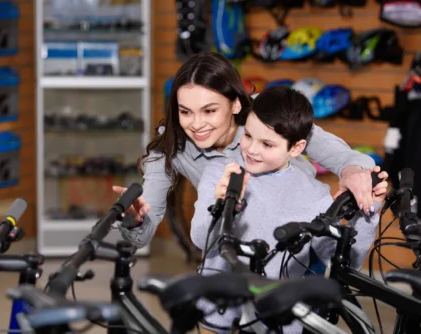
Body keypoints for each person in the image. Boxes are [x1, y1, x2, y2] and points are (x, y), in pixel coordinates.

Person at [113, 51, 377, 248]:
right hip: (242, 250)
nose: (196, 124)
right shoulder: (169, 147)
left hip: (300, 239)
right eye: (185, 112)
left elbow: (342, 156)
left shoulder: (268, 112)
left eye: (209, 110)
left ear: (236, 105)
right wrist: (135, 219)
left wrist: (353, 172)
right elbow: (143, 234)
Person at [190, 86, 388, 333]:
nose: (252, 149)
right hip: (217, 306)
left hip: (277, 316)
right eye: (248, 136)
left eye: (267, 144)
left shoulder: (316, 197)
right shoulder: (221, 173)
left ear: (296, 148)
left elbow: (346, 263)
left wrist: (370, 212)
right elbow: (200, 239)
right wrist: (221, 205)